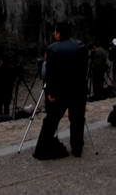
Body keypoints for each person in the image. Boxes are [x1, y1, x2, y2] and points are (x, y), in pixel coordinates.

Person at [33, 23, 88, 160]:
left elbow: (50, 74)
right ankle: (77, 148)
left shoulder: (52, 49)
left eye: (55, 32)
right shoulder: (81, 46)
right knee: (77, 119)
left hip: (60, 92)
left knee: (51, 120)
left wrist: (50, 92)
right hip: (78, 90)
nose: (54, 34)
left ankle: (43, 148)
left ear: (58, 33)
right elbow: (85, 68)